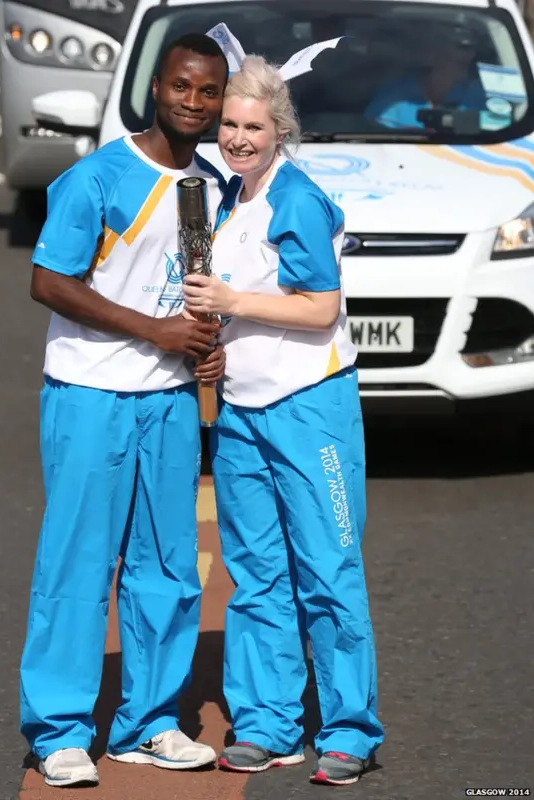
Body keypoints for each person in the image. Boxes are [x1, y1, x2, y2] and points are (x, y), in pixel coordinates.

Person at [19, 33, 229, 788]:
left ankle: (148, 724)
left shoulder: (207, 184)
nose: (195, 105)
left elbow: (194, 286)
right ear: (154, 87)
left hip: (168, 400)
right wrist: (157, 332)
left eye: (209, 92)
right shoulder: (97, 177)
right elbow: (49, 281)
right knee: (77, 566)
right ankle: (61, 730)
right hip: (90, 394)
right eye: (182, 88)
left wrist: (204, 347)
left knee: (169, 569)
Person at [182, 55, 385, 786]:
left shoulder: (295, 199)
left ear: (279, 131)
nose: (238, 137)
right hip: (243, 413)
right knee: (259, 574)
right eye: (230, 124)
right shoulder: (231, 196)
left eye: (253, 127)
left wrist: (232, 303)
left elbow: (319, 308)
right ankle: (270, 724)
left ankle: (350, 731)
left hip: (308, 410)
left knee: (328, 570)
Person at [365, 35, 487, 129]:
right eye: (459, 63)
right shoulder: (394, 98)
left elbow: (490, 128)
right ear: (433, 59)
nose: (464, 72)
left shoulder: (474, 94)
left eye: (468, 65)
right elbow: (373, 134)